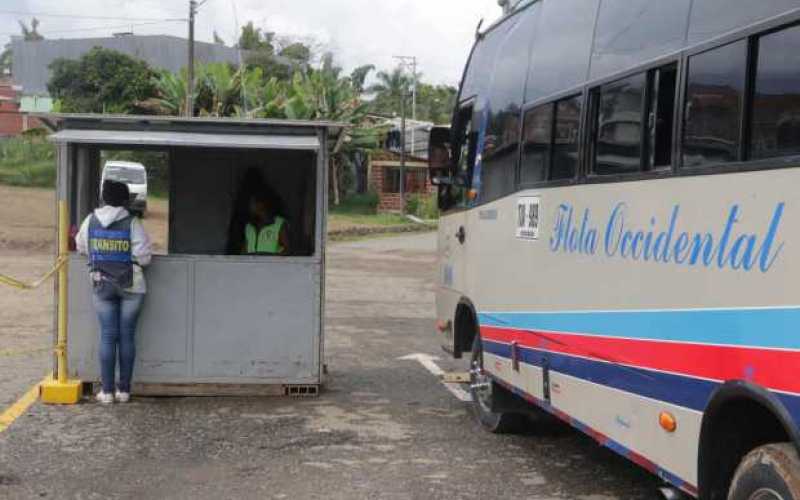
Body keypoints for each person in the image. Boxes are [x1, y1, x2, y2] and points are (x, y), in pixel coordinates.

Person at [76, 180, 152, 404]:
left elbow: (81, 247)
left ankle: (107, 392)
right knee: (127, 336)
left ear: (103, 197)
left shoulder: (90, 220)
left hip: (102, 285)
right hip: (131, 286)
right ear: (125, 200)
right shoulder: (132, 222)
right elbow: (145, 258)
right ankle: (124, 391)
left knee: (108, 336)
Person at [242, 190, 291, 256]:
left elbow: (288, 251)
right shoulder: (249, 227)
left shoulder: (279, 224)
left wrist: (266, 257)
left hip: (273, 266)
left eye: (252, 203)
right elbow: (244, 251)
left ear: (261, 204)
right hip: (251, 266)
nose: (249, 207)